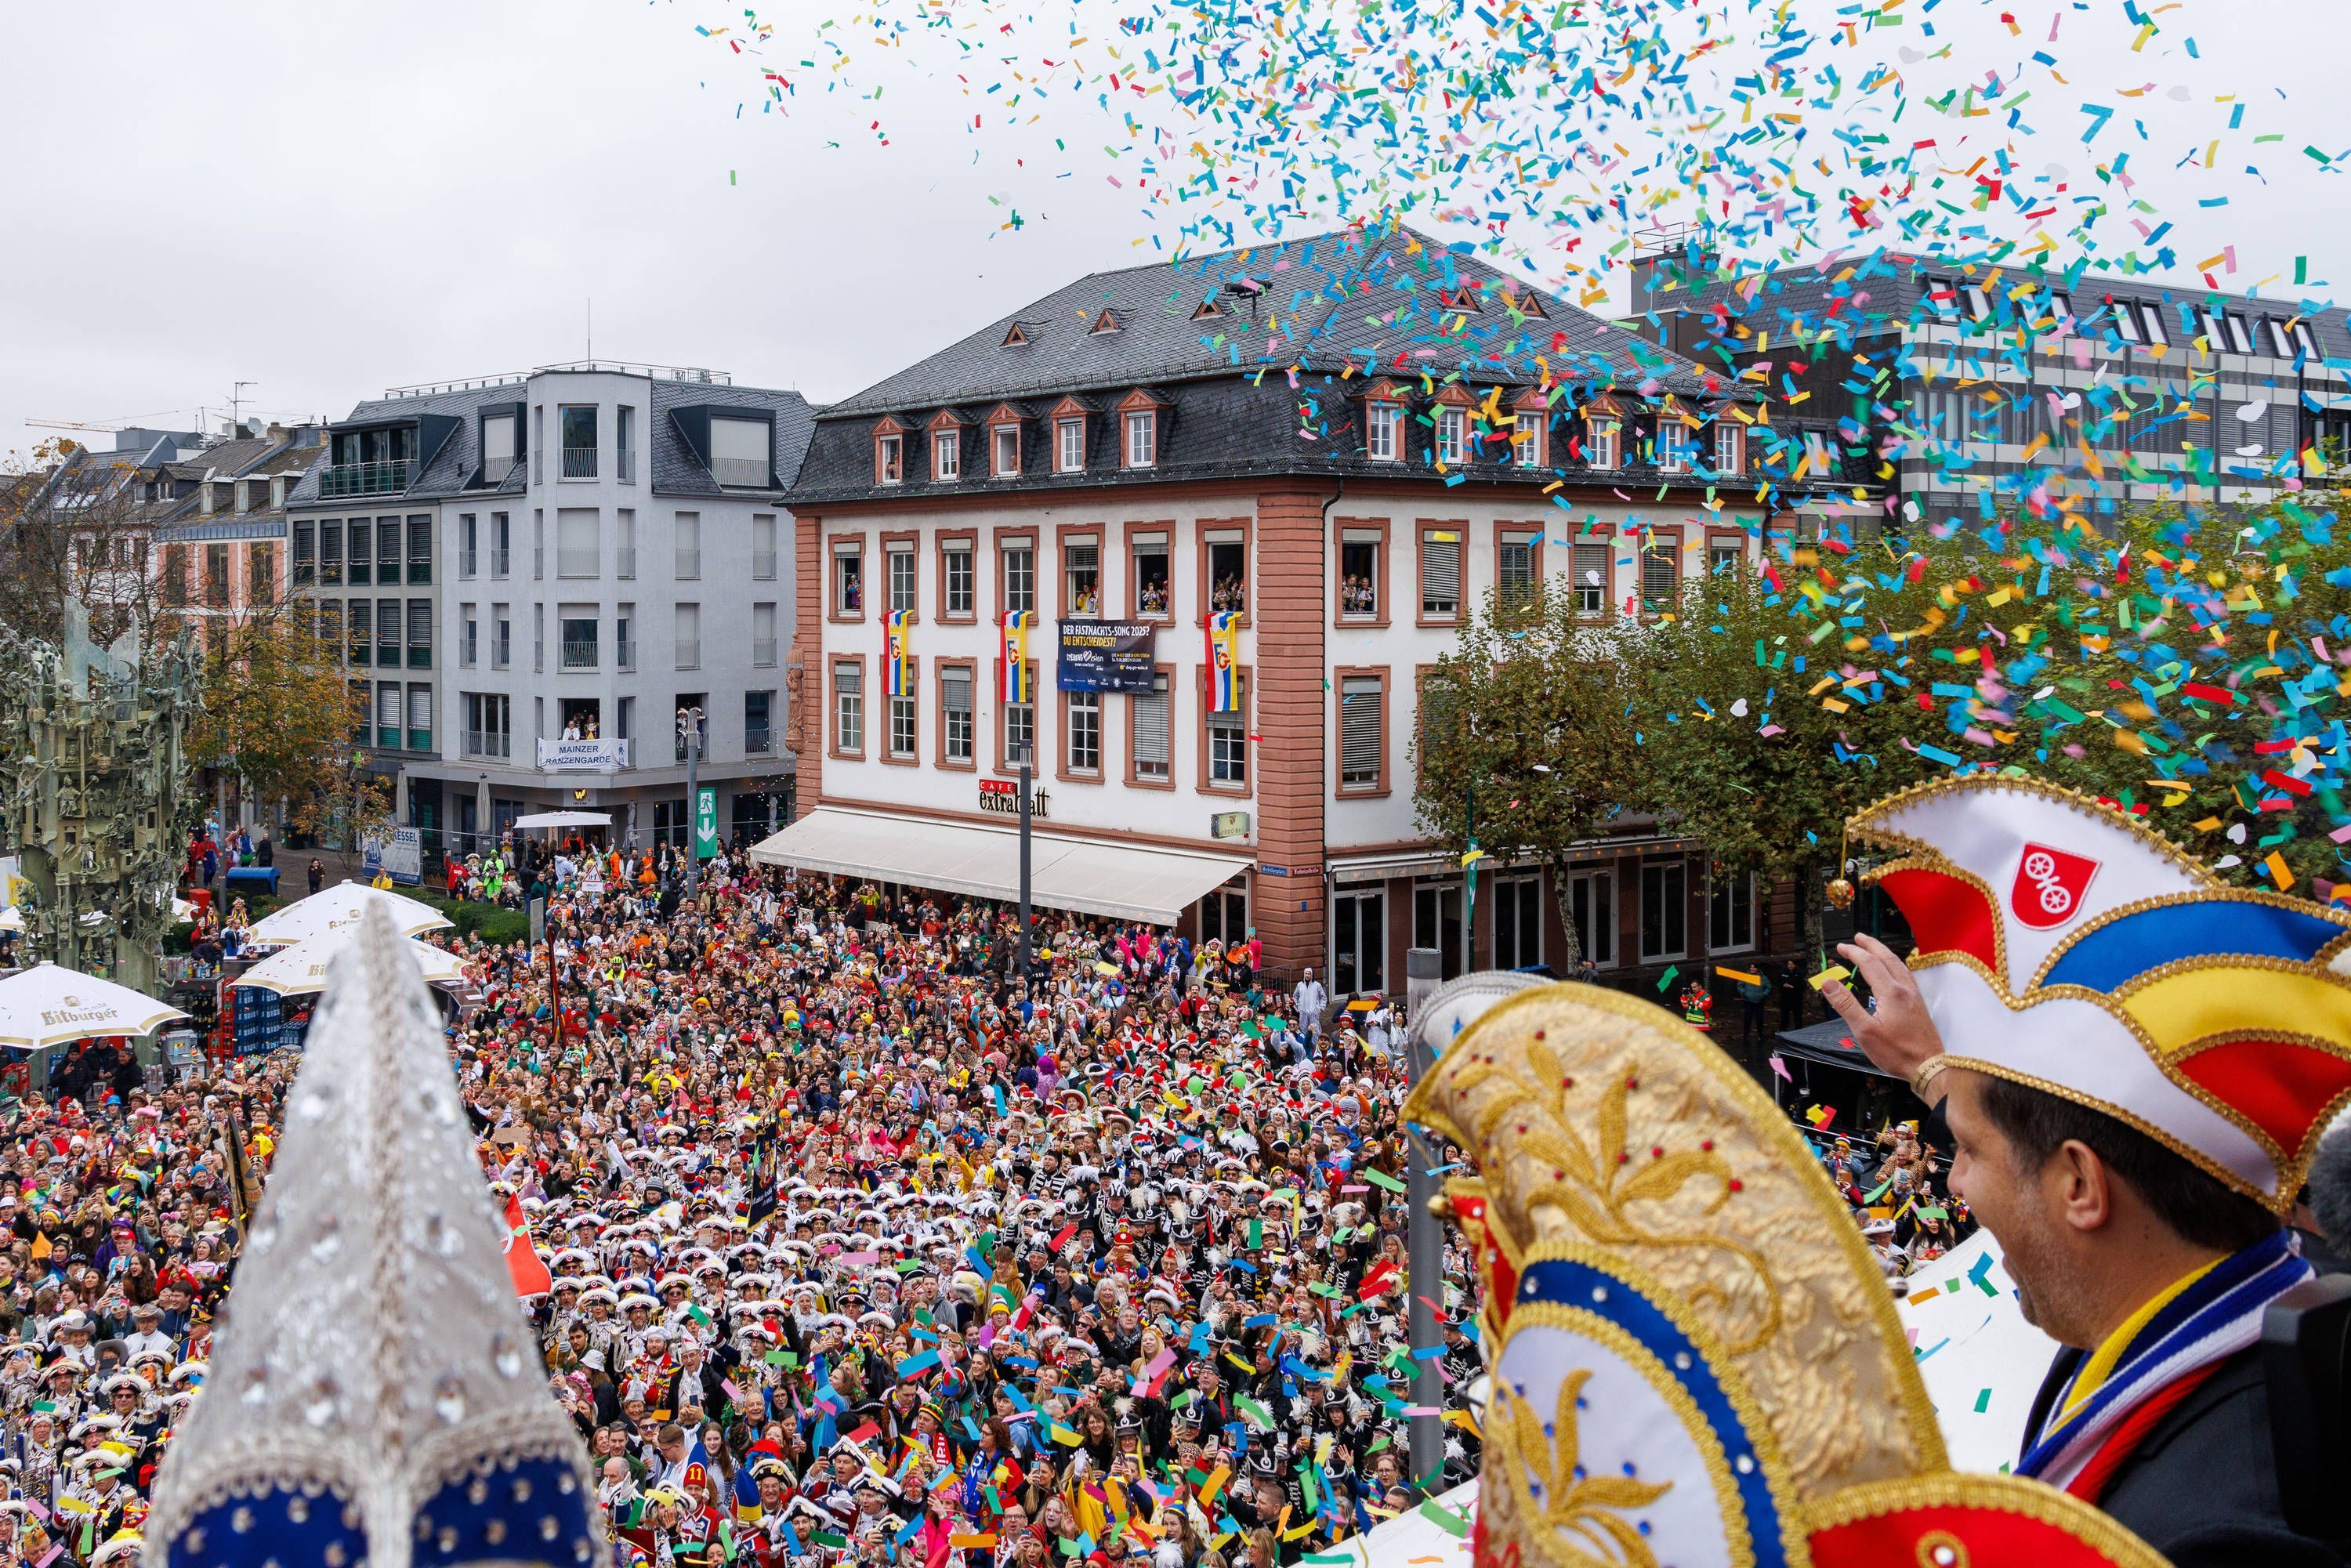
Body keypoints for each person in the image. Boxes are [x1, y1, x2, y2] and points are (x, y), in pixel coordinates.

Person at [1822, 778, 2346, 1566]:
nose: (1955, 1184)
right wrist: (1939, 1078)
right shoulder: (2263, 1311)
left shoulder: (2217, 1538)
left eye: (1966, 1152)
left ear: (2080, 1187)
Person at [1293, 968, 1327, 1051]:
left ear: (1312, 975)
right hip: (1303, 1013)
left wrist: (1321, 1008)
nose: (1307, 975)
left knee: (1315, 1031)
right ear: (1304, 975)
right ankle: (1305, 1048)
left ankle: (1316, 1049)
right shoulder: (1300, 985)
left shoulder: (1317, 985)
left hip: (1314, 1013)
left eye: (1309, 974)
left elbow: (1323, 997)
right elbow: (1295, 996)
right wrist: (1298, 1007)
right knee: (1304, 1029)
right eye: (1306, 974)